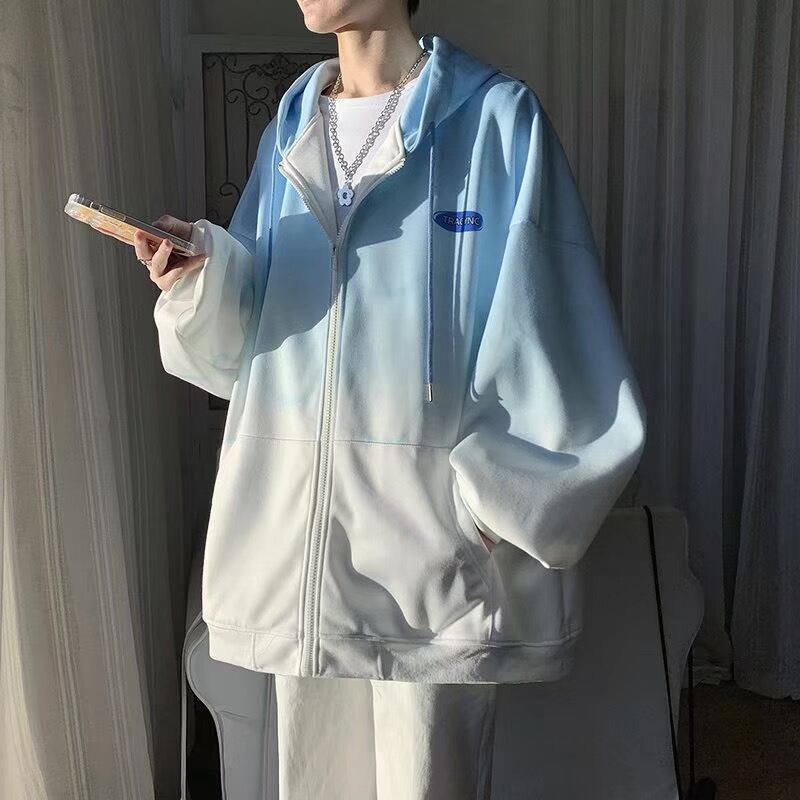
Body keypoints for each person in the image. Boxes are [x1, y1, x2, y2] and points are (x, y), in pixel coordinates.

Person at [130, 1, 647, 797]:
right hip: (304, 555)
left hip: (431, 557)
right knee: (316, 783)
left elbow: (551, 321)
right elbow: (260, 343)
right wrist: (203, 274)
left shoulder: (497, 120)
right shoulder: (293, 128)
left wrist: (484, 505)